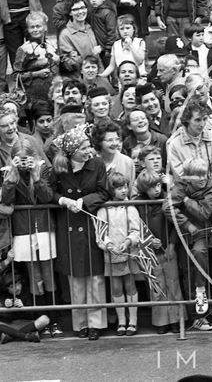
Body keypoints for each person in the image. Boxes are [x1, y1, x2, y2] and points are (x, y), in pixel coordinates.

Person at [50, 126, 109, 341]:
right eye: (83, 147)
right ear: (72, 151)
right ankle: (80, 323)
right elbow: (50, 192)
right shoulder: (59, 168)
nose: (89, 150)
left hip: (89, 220)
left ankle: (96, 323)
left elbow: (104, 191)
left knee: (94, 276)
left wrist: (84, 200)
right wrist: (63, 200)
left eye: (89, 146)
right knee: (75, 277)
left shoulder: (97, 164)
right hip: (68, 223)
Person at [1, 137, 63, 338]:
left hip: (44, 227)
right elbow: (7, 201)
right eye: (19, 159)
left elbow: (46, 197)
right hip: (23, 230)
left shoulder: (43, 169)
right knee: (34, 278)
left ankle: (54, 320)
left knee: (48, 275)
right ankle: (41, 320)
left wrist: (36, 176)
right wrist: (12, 176)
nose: (24, 163)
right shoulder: (9, 174)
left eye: (27, 159)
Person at [163, 157, 212, 331]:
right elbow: (167, 206)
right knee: (188, 273)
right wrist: (186, 224)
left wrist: (187, 202)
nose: (202, 178)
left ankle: (207, 307)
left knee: (208, 268)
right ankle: (198, 316)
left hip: (210, 237)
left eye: (204, 174)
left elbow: (204, 212)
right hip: (187, 236)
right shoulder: (181, 187)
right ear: (189, 177)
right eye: (197, 176)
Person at [134, 168, 183, 335]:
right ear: (143, 189)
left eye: (157, 185)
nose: (156, 190)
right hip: (150, 250)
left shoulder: (167, 199)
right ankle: (161, 321)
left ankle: (177, 319)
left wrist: (172, 245)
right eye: (151, 187)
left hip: (168, 247)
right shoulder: (137, 203)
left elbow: (176, 224)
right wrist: (148, 242)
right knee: (157, 285)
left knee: (173, 283)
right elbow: (136, 227)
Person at [96, 171, 140, 336]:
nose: (124, 190)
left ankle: (133, 321)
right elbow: (100, 233)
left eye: (126, 186)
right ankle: (122, 320)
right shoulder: (103, 209)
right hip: (111, 254)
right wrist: (108, 245)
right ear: (111, 190)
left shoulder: (130, 208)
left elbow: (136, 230)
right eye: (119, 188)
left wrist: (128, 241)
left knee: (130, 284)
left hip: (128, 253)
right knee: (116, 287)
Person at [12, 11, 60, 104]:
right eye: (32, 27)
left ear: (45, 27)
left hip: (55, 94)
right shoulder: (24, 49)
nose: (35, 30)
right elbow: (15, 76)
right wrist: (36, 74)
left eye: (38, 26)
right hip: (34, 97)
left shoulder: (53, 45)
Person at [58, 0, 103, 76]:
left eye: (83, 8)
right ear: (70, 13)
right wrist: (91, 54)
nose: (80, 11)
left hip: (99, 74)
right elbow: (68, 64)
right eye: (75, 9)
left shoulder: (90, 27)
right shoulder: (65, 34)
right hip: (80, 79)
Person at [99, 14, 146, 79]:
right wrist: (102, 75)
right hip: (123, 79)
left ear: (133, 29)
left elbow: (140, 61)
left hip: (139, 78)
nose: (125, 31)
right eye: (122, 29)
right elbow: (111, 66)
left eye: (128, 28)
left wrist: (130, 46)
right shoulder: (116, 45)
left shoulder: (139, 42)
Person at [87, 0, 117, 68]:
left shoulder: (108, 12)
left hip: (107, 49)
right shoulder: (91, 12)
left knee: (112, 71)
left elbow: (112, 32)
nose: (94, 0)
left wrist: (107, 48)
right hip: (96, 48)